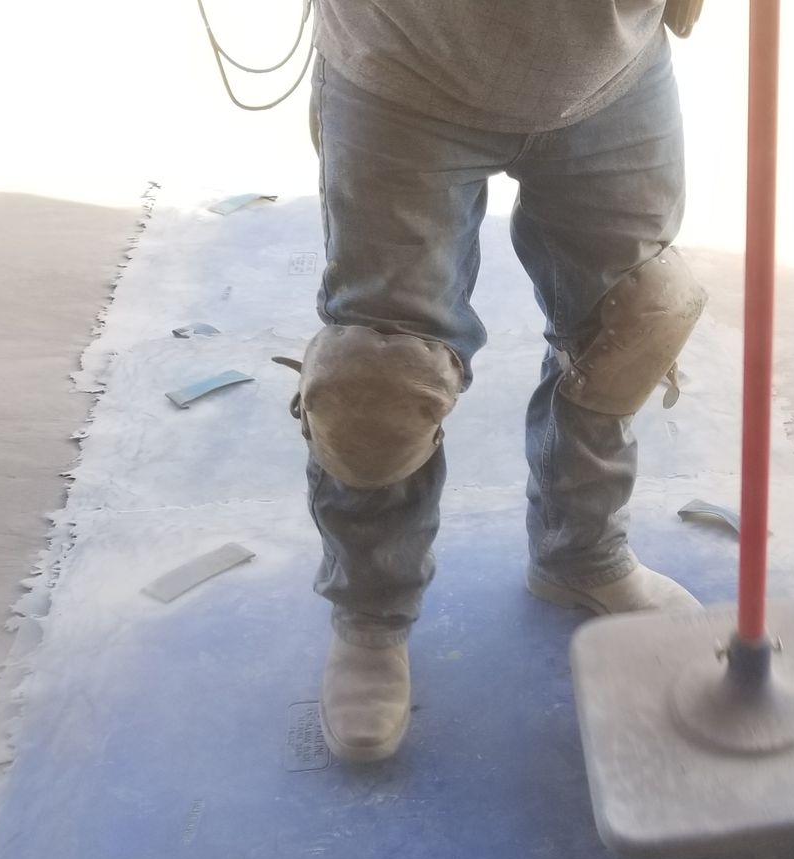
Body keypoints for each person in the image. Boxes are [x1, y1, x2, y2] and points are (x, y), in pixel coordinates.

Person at [283, 0, 706, 762]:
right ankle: (371, 615)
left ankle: (580, 553)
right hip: (407, 63)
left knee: (629, 324)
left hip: (610, 62)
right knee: (379, 380)